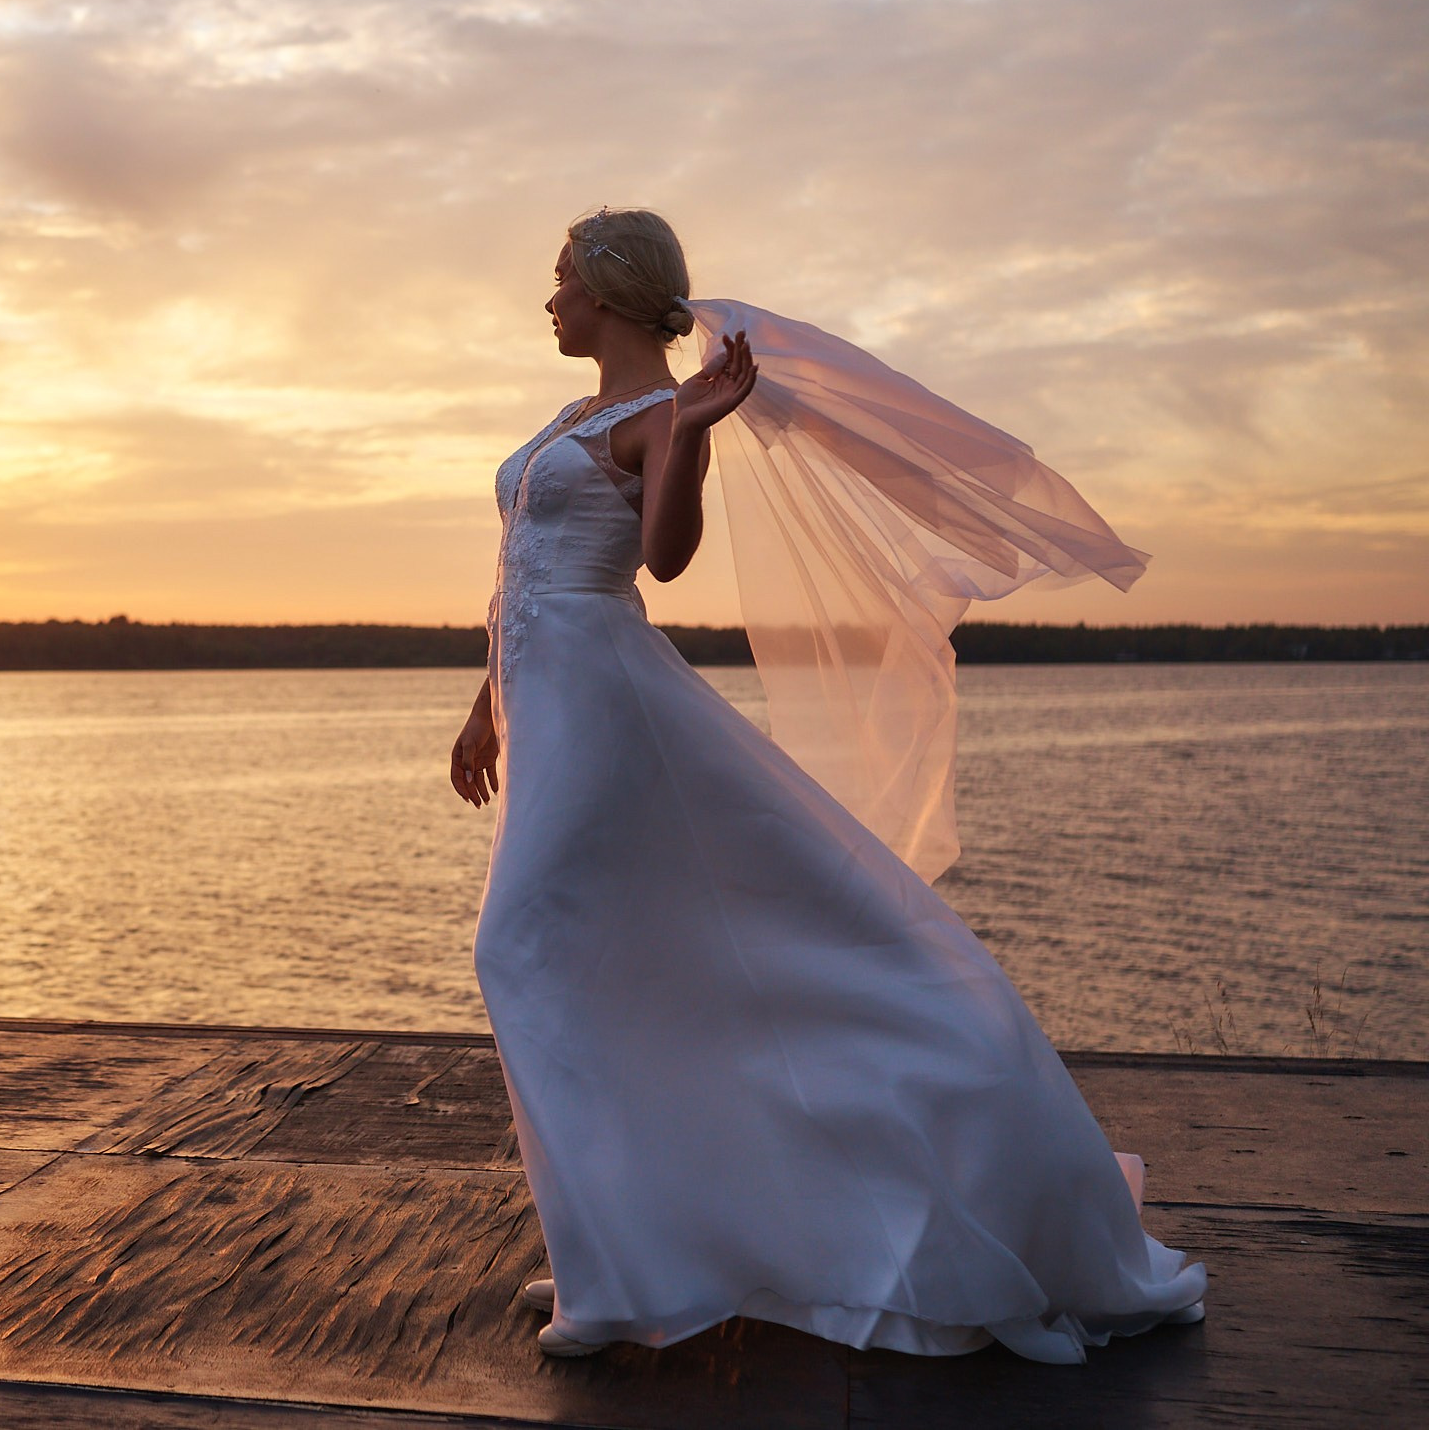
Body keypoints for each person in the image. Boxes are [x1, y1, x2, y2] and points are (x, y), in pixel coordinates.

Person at [450, 206, 1207, 1363]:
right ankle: (620, 1247)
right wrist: (479, 702)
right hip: (540, 703)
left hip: (604, 704)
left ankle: (617, 1278)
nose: (548, 300)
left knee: (519, 943)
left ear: (606, 289)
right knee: (612, 958)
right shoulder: (568, 416)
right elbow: (516, 576)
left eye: (560, 280)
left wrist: (696, 426)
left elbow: (661, 556)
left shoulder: (659, 413)